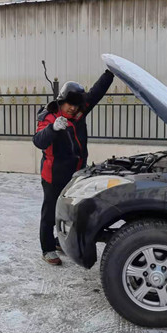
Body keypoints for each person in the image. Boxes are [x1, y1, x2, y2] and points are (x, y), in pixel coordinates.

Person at [33, 70, 114, 265]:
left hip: (76, 173)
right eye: (69, 104)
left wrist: (110, 73)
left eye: (76, 105)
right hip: (54, 175)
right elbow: (38, 141)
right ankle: (47, 249)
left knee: (72, 211)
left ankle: (60, 242)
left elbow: (95, 93)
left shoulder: (78, 113)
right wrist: (53, 129)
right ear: (61, 101)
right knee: (50, 212)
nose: (72, 109)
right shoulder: (49, 117)